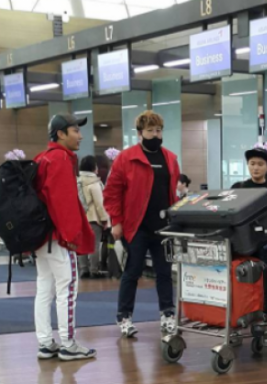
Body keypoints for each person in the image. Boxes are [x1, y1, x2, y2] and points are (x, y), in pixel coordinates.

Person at [104, 111, 181, 339]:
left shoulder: (170, 158)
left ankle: (168, 314)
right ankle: (124, 316)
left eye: (158, 131)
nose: (155, 135)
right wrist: (116, 222)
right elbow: (112, 193)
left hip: (163, 227)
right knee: (132, 271)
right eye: (150, 131)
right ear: (140, 133)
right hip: (136, 226)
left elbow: (172, 193)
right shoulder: (126, 158)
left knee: (164, 272)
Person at [34, 114, 96, 361]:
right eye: (75, 131)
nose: (80, 135)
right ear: (60, 134)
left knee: (44, 290)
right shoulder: (60, 159)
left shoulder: (42, 157)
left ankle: (45, 342)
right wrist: (71, 237)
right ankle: (68, 344)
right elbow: (63, 203)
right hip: (58, 237)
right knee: (67, 289)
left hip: (41, 238)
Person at [77, 155, 110, 279]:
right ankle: (94, 270)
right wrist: (105, 219)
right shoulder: (94, 182)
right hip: (93, 218)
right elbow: (99, 204)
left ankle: (83, 269)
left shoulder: (77, 181)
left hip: (80, 218)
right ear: (93, 167)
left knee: (81, 244)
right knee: (94, 245)